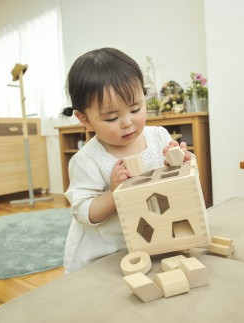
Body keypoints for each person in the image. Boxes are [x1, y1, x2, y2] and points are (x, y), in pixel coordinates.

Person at [60, 48, 192, 273]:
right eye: (111, 117)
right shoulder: (87, 160)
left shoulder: (159, 136)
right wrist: (114, 193)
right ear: (85, 119)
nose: (127, 122)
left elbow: (181, 179)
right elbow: (83, 212)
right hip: (106, 253)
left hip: (154, 240)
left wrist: (181, 161)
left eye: (135, 108)